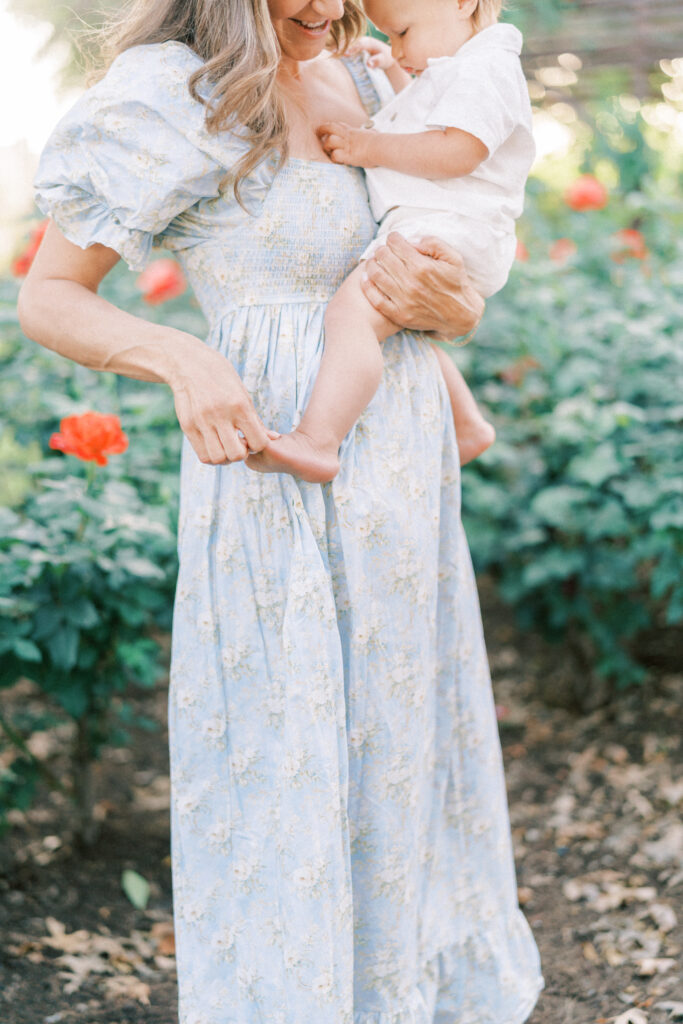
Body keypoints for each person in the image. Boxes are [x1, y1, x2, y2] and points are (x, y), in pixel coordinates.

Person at [19, 1, 544, 1021]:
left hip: (398, 462)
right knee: (286, 745)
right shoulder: (172, 92)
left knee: (398, 741)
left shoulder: (379, 79)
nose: (322, 9)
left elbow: (430, 262)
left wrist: (453, 305)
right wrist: (181, 358)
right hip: (271, 466)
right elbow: (49, 298)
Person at [248, 0, 535, 483]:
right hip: (446, 225)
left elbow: (460, 149)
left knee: (350, 314)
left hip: (449, 228)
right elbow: (426, 119)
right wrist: (397, 75)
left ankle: (318, 441)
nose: (396, 50)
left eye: (401, 33)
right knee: (392, 323)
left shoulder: (487, 67)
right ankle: (468, 426)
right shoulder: (461, 65)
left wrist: (369, 147)